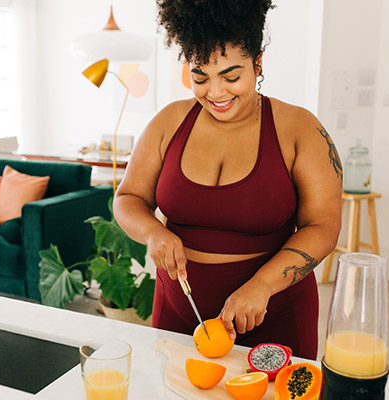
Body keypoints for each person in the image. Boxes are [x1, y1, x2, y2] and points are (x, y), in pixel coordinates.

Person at [113, 0, 342, 360]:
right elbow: (128, 199)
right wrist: (153, 232)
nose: (215, 93)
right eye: (200, 77)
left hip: (273, 312)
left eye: (231, 77)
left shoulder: (301, 129)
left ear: (258, 64)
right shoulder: (167, 122)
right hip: (178, 309)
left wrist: (262, 287)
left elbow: (323, 226)